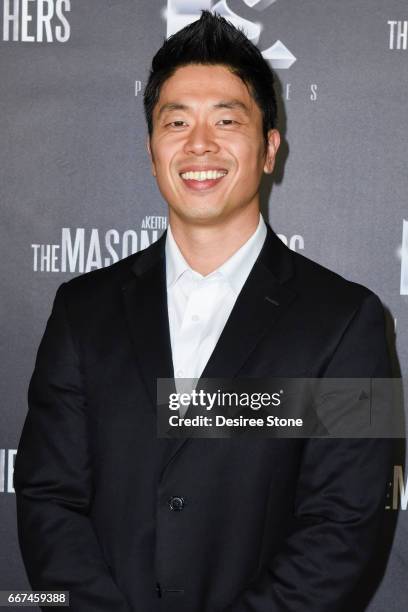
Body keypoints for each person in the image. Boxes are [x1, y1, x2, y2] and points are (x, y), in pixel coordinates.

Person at [14, 11, 392, 612]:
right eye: (177, 122)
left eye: (226, 120)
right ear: (151, 149)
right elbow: (47, 497)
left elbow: (346, 524)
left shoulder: (350, 322)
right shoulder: (81, 312)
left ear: (269, 147)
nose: (200, 145)